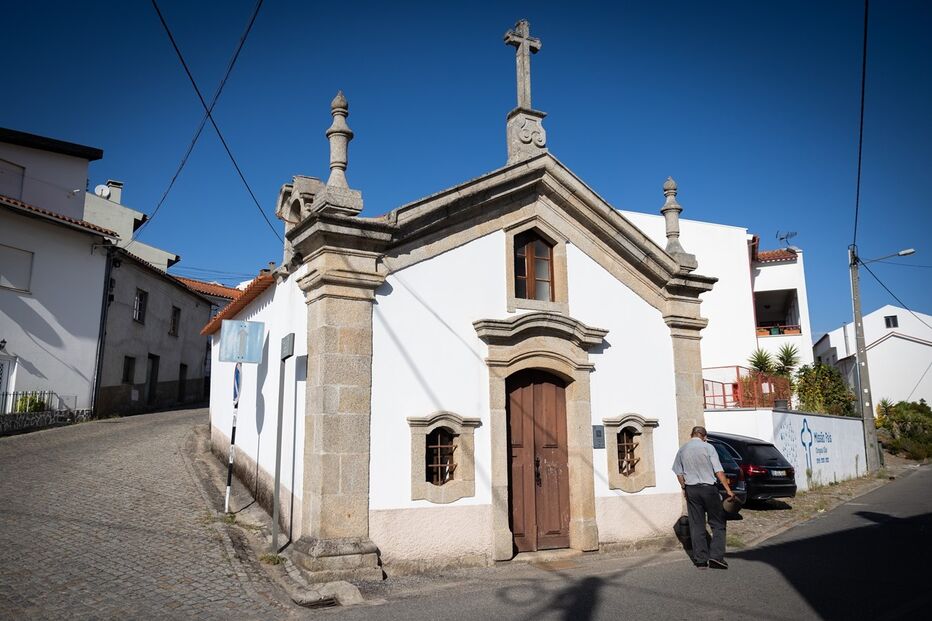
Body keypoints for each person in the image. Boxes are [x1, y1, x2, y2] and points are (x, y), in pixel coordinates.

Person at [672, 426, 735, 569]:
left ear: (692, 435)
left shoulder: (682, 449)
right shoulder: (708, 448)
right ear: (704, 436)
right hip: (709, 489)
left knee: (696, 525)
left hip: (692, 490)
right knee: (718, 523)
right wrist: (728, 490)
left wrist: (684, 488)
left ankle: (700, 560)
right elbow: (718, 471)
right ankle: (716, 557)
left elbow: (679, 473)